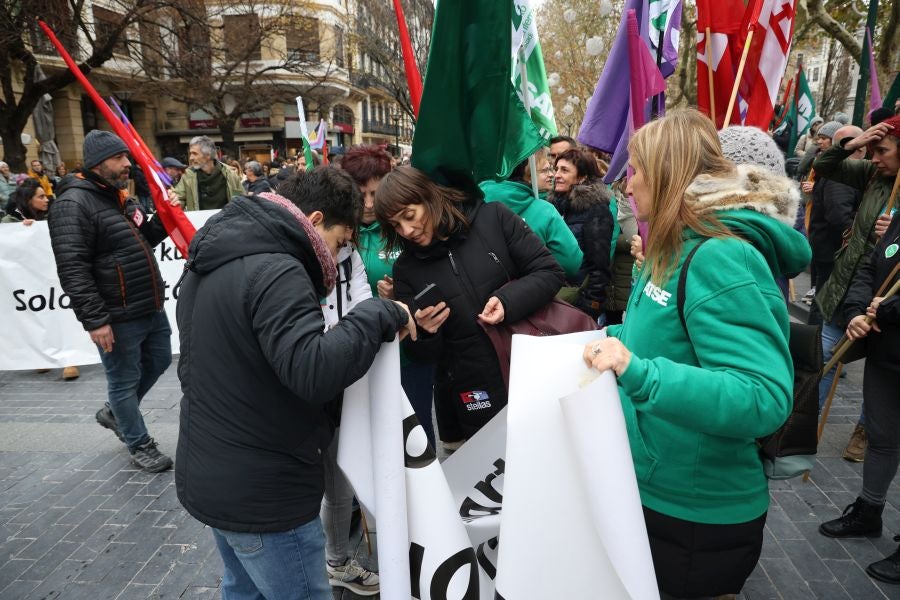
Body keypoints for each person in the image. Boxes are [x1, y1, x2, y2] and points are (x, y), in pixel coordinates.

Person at [583, 109, 810, 599]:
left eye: (635, 169)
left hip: (694, 515)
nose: (625, 183)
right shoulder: (670, 245)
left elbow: (763, 396)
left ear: (666, 174)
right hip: (650, 488)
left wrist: (638, 373)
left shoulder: (720, 256)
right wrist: (602, 339)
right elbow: (664, 335)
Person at [175, 167, 415, 600]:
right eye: (341, 242)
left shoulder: (220, 251)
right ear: (317, 220)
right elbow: (312, 371)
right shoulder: (279, 269)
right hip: (266, 493)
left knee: (243, 590)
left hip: (217, 474)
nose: (340, 256)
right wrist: (379, 312)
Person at [374, 166, 565, 445]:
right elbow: (421, 356)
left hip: (530, 369)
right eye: (395, 225)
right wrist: (426, 332)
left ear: (430, 197)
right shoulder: (406, 269)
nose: (406, 230)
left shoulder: (494, 218)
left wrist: (507, 302)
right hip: (473, 393)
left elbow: (549, 272)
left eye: (409, 216)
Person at [48, 130, 176, 471]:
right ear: (97, 163)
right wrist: (95, 320)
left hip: (148, 304)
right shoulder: (73, 204)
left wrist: (164, 216)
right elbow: (72, 268)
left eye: (127, 157)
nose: (127, 164)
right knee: (122, 380)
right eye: (119, 158)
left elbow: (146, 237)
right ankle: (139, 443)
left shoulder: (119, 197)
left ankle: (116, 412)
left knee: (160, 359)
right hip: (115, 314)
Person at [817, 208, 900, 585]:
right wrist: (855, 309)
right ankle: (869, 510)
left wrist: (891, 309)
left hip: (891, 326)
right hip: (887, 350)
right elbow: (870, 266)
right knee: (882, 437)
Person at [813, 116, 899, 462]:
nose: (874, 157)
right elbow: (824, 165)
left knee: (880, 369)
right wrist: (855, 141)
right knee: (824, 359)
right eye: (872, 151)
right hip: (846, 286)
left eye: (882, 151)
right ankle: (802, 427)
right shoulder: (873, 176)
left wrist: (894, 236)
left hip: (886, 297)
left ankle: (866, 430)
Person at [340, 144, 438, 446]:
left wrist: (402, 296)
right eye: (361, 194)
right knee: (368, 444)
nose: (369, 204)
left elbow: (431, 281)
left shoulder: (404, 229)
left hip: (408, 355)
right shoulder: (339, 232)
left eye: (376, 193)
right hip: (359, 357)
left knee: (416, 439)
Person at [806, 125, 864, 325]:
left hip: (826, 244)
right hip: (832, 248)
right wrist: (857, 241)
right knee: (824, 299)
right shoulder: (843, 175)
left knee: (822, 296)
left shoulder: (840, 171)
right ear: (858, 147)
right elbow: (839, 215)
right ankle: (814, 347)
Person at [549, 148, 614, 323]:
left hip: (578, 302)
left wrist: (590, 304)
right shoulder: (555, 207)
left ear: (582, 177)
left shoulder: (596, 210)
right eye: (556, 169)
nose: (557, 175)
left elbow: (599, 265)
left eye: (565, 170)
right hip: (556, 297)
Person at [168, 135, 243, 210]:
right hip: (199, 221)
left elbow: (242, 201)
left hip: (227, 221)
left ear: (208, 155)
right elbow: (179, 200)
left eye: (195, 153)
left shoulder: (230, 174)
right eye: (190, 154)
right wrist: (174, 200)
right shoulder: (188, 176)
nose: (191, 158)